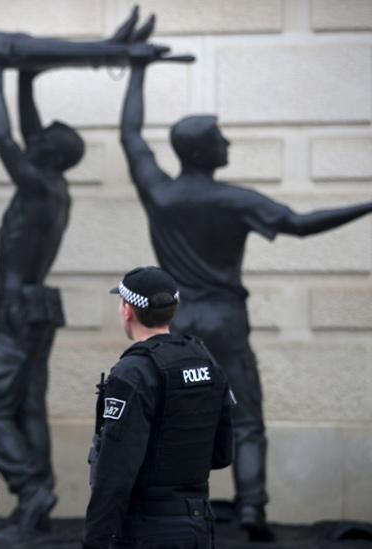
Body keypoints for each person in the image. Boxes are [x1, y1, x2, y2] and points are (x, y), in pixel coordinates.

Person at [120, 34, 372, 540]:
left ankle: (173, 505)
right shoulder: (235, 201)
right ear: (205, 149)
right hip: (225, 319)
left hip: (176, 320)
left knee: (172, 413)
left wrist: (138, 68)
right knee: (246, 414)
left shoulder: (161, 194)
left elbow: (130, 136)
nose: (228, 143)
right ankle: (252, 506)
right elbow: (301, 223)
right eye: (222, 138)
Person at [0, 54, 84, 531]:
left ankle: (30, 488)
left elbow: (2, 136)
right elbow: (30, 132)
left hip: (20, 307)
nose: (31, 140)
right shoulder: (54, 184)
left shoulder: (38, 184)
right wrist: (25, 81)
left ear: (50, 154)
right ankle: (40, 498)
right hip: (34, 305)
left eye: (40, 141)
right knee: (27, 405)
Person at [83, 266, 234, 549]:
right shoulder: (205, 361)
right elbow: (221, 454)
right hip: (198, 527)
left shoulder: (132, 372)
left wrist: (94, 540)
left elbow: (115, 473)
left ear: (128, 310)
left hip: (146, 529)